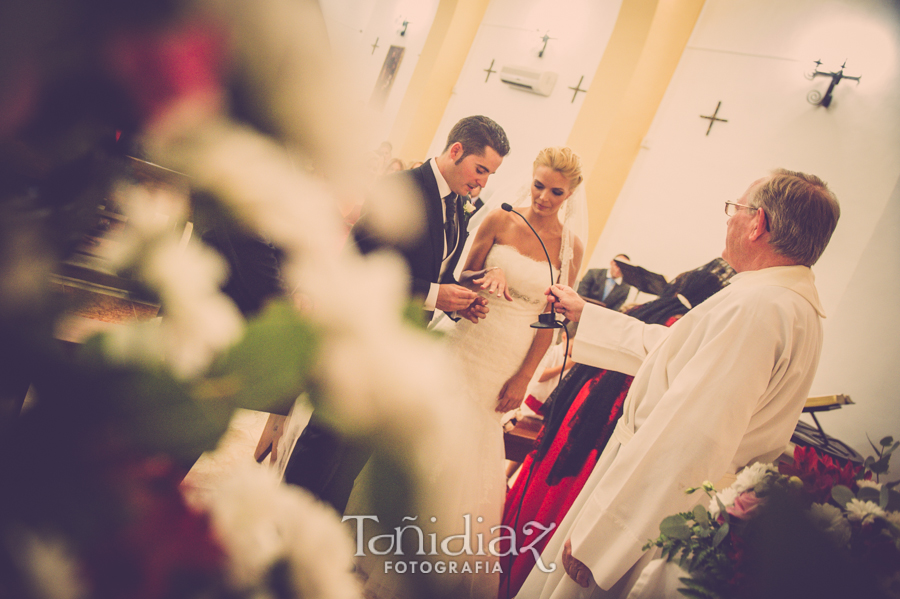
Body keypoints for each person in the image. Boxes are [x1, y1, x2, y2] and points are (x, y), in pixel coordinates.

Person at [522, 169, 840, 598]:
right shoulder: (780, 300)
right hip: (673, 497)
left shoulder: (757, 309)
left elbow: (691, 436)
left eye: (736, 209)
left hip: (656, 510)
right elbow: (675, 351)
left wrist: (605, 541)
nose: (729, 220)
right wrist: (589, 315)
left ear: (757, 224)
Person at [279, 115, 510, 515]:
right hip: (363, 339)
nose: (483, 182)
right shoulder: (399, 190)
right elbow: (364, 266)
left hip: (401, 350)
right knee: (325, 441)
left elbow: (435, 271)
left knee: (351, 462)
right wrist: (437, 294)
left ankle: (317, 538)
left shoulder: (456, 205)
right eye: (481, 169)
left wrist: (463, 296)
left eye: (490, 174)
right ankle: (281, 527)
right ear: (456, 151)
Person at [499, 260, 732, 597]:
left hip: (578, 415)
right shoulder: (677, 326)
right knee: (559, 504)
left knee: (539, 487)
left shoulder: (650, 311)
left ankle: (504, 564)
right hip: (598, 430)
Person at [438, 146, 587, 597]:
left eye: (555, 191)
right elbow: (459, 275)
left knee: (472, 438)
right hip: (471, 336)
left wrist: (523, 378)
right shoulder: (500, 220)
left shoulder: (569, 248)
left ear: (570, 194)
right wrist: (484, 280)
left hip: (511, 352)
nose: (543, 196)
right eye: (539, 185)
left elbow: (552, 317)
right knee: (436, 419)